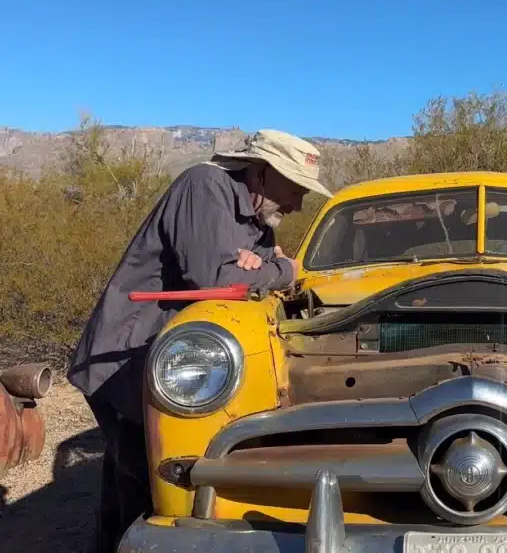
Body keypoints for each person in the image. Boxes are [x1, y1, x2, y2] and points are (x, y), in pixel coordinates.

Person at [66, 129, 333, 552]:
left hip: (169, 365)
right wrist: (279, 271)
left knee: (127, 481)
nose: (298, 204)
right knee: (148, 489)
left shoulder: (258, 215)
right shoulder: (204, 187)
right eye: (295, 188)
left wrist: (259, 265)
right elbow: (216, 279)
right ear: (261, 173)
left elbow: (257, 266)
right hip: (125, 360)